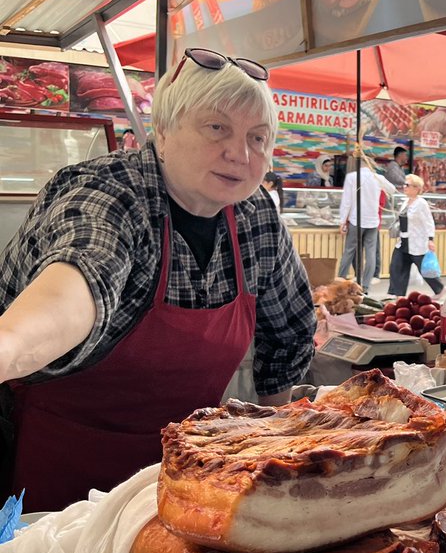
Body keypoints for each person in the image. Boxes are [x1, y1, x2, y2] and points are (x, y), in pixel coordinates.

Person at [0, 46, 315, 512]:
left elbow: (287, 333)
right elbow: (79, 279)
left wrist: (269, 452)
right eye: (217, 128)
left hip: (178, 474)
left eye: (258, 137)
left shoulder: (255, 216)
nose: (239, 152)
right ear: (162, 132)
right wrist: (6, 347)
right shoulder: (107, 191)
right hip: (54, 474)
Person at [337, 150, 397, 290]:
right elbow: (392, 189)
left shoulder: (352, 177)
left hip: (356, 220)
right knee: (370, 253)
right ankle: (365, 285)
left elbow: (347, 201)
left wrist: (342, 221)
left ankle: (340, 281)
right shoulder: (377, 178)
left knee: (349, 250)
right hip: (373, 221)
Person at [388, 174, 445, 298]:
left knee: (424, 269)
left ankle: (440, 289)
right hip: (403, 241)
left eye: (407, 185)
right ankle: (398, 294)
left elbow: (429, 222)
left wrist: (430, 239)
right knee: (396, 266)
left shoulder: (421, 204)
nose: (404, 187)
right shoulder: (405, 202)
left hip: (418, 242)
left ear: (416, 188)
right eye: (404, 184)